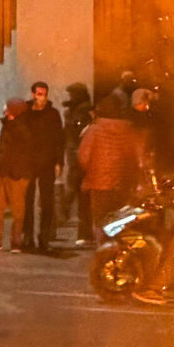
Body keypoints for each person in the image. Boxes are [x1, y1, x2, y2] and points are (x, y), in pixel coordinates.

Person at [80, 95, 147, 243]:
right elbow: (137, 155)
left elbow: (84, 157)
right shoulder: (128, 129)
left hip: (98, 182)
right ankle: (117, 246)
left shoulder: (94, 130)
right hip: (122, 182)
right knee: (119, 217)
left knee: (100, 217)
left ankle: (103, 248)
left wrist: (90, 171)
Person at [0, 99, 34, 252]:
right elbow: (2, 150)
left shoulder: (24, 128)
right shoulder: (7, 126)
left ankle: (16, 242)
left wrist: (18, 171)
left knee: (17, 210)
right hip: (3, 173)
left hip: (17, 175)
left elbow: (24, 154)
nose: (5, 110)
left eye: (8, 108)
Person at [22, 82, 65, 252]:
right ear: (33, 94)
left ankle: (44, 237)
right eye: (39, 93)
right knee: (27, 200)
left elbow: (58, 139)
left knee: (47, 201)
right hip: (28, 161)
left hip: (46, 161)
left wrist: (58, 161)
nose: (41, 97)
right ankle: (27, 236)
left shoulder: (52, 114)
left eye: (44, 94)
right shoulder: (25, 112)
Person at [60, 83, 95, 247]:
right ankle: (81, 229)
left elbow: (77, 131)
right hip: (75, 157)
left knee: (80, 196)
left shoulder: (84, 111)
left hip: (81, 158)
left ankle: (67, 217)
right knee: (79, 194)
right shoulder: (75, 110)